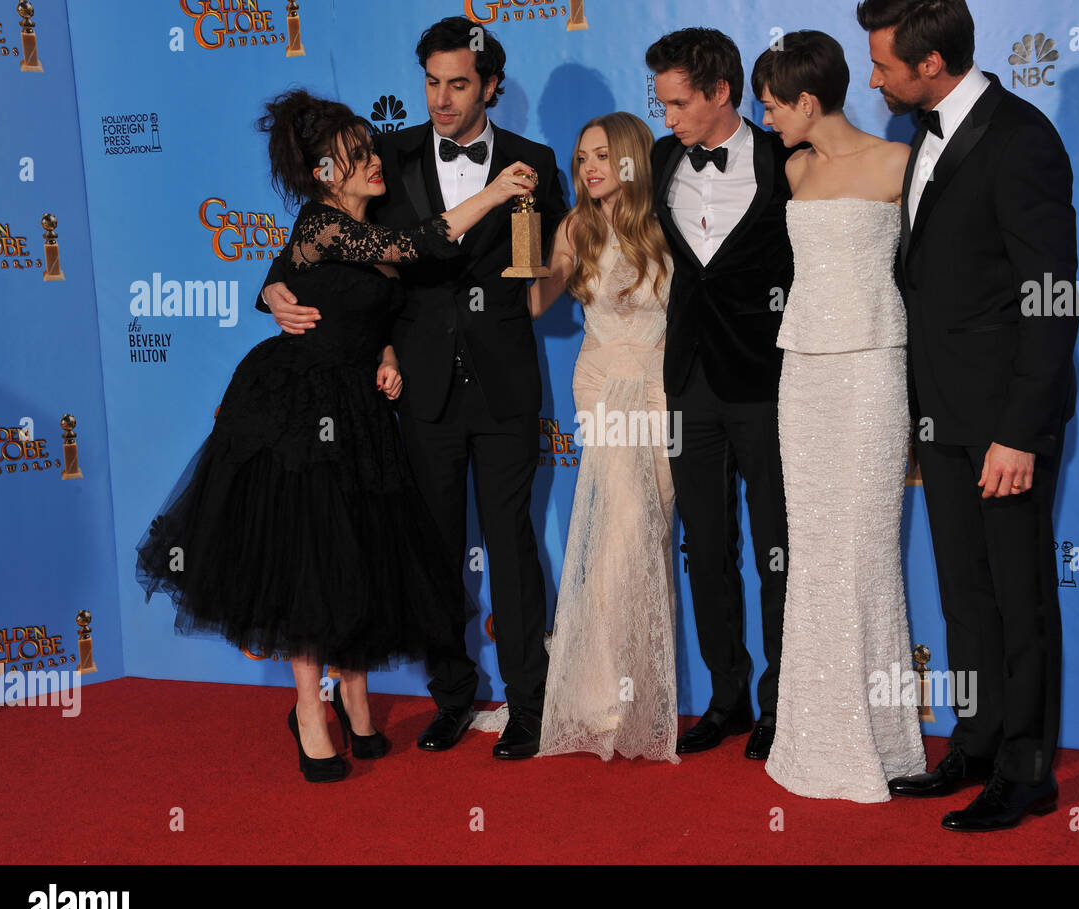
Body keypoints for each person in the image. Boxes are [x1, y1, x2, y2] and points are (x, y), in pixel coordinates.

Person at [137, 90, 537, 781]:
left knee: (353, 552)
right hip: (295, 403)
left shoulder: (366, 216)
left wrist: (384, 355)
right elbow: (419, 245)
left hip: (356, 404)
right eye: (356, 156)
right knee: (307, 558)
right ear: (324, 173)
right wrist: (498, 192)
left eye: (369, 147)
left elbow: (369, 304)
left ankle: (353, 696)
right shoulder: (321, 224)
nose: (373, 161)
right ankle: (310, 711)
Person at [260, 17, 567, 760]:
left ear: (490, 85)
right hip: (413, 391)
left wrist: (557, 284)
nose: (441, 98)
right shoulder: (384, 158)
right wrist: (268, 287)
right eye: (431, 82)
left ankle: (529, 704)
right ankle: (452, 697)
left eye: (458, 83)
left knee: (512, 548)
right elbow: (315, 243)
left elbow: (548, 269)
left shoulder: (536, 161)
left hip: (503, 384)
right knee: (433, 551)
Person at [857, 0, 1078, 830]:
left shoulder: (1021, 138)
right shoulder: (929, 129)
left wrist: (1020, 429)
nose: (872, 77)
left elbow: (1051, 295)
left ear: (934, 63)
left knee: (1018, 599)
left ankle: (1027, 772)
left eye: (883, 65)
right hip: (940, 414)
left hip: (1003, 421)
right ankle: (978, 742)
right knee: (964, 597)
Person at [751, 31, 927, 801]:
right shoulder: (793, 168)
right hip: (805, 370)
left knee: (865, 553)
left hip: (871, 368)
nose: (767, 119)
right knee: (815, 551)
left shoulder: (899, 164)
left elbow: (927, 276)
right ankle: (815, 735)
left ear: (808, 101)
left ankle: (880, 741)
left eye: (773, 105)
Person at [646, 28, 797, 760]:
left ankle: (780, 704)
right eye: (662, 103)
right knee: (705, 546)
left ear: (721, 94)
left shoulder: (784, 158)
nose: (667, 117)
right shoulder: (659, 157)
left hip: (767, 382)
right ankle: (726, 696)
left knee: (777, 548)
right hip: (688, 383)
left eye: (677, 103)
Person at [524, 112, 678, 763]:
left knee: (649, 531)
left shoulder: (667, 221)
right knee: (621, 526)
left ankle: (637, 691)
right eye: (581, 156)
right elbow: (538, 303)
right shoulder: (574, 226)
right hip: (602, 385)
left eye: (601, 155)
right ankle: (600, 695)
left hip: (660, 385)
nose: (587, 167)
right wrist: (532, 261)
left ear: (631, 160)